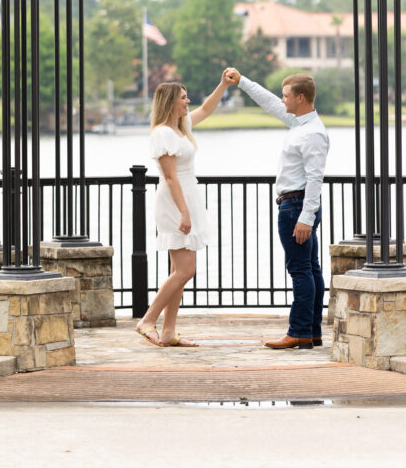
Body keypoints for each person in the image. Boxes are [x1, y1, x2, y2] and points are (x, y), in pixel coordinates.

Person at [223, 67, 329, 350]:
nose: (282, 100)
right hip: (296, 205)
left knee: (301, 270)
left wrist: (306, 218)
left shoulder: (312, 134)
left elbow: (316, 178)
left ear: (301, 98)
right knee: (310, 269)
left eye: (286, 96)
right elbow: (269, 101)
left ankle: (300, 332)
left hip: (297, 207)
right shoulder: (300, 124)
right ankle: (311, 332)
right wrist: (242, 81)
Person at [135, 77, 230, 347]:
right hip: (175, 202)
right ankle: (147, 320)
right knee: (186, 270)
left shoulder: (180, 128)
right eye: (183, 97)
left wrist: (222, 85)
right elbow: (171, 177)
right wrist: (184, 213)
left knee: (178, 269)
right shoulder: (162, 133)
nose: (188, 102)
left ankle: (168, 332)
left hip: (188, 197)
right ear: (170, 102)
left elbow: (208, 109)